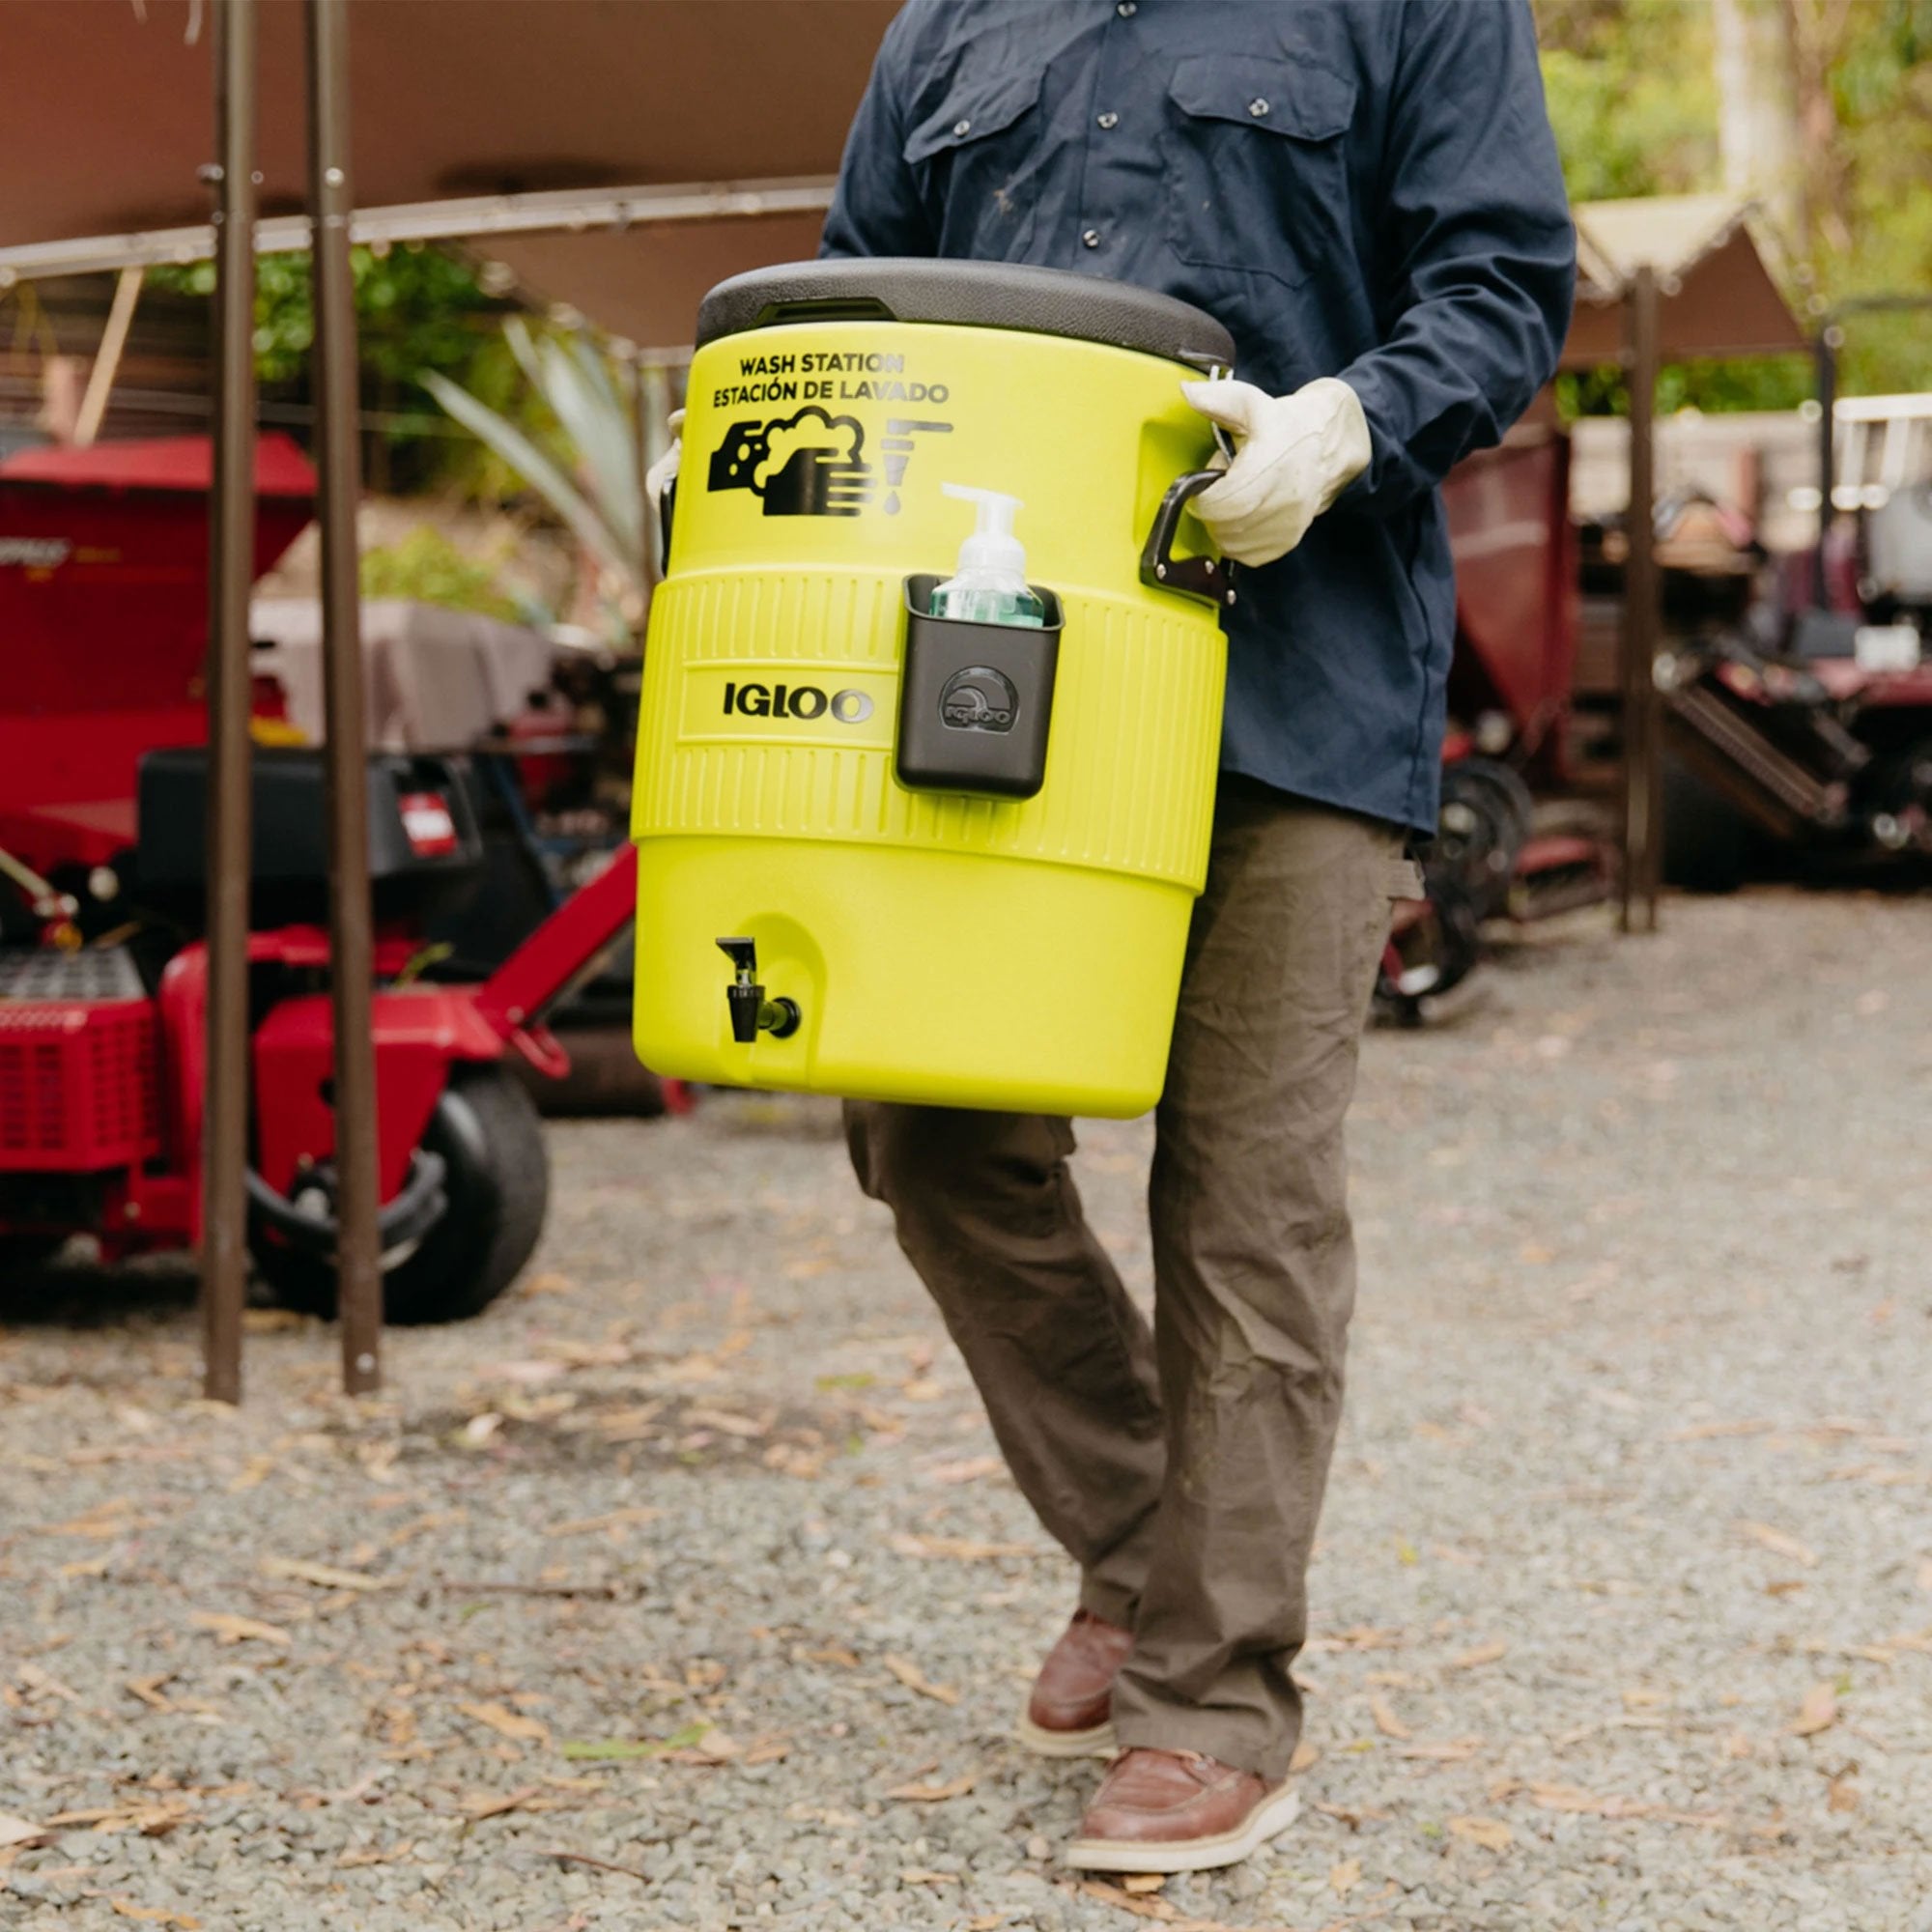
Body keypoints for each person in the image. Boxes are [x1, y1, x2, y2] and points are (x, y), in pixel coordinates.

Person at [650, 0, 1574, 1875]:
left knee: (1243, 1187)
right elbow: (855, 306)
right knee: (920, 1122)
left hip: (1289, 696)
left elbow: (1504, 283)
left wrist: (1347, 426)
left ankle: (1212, 1696)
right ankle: (1156, 1548)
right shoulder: (954, 24)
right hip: (994, 693)